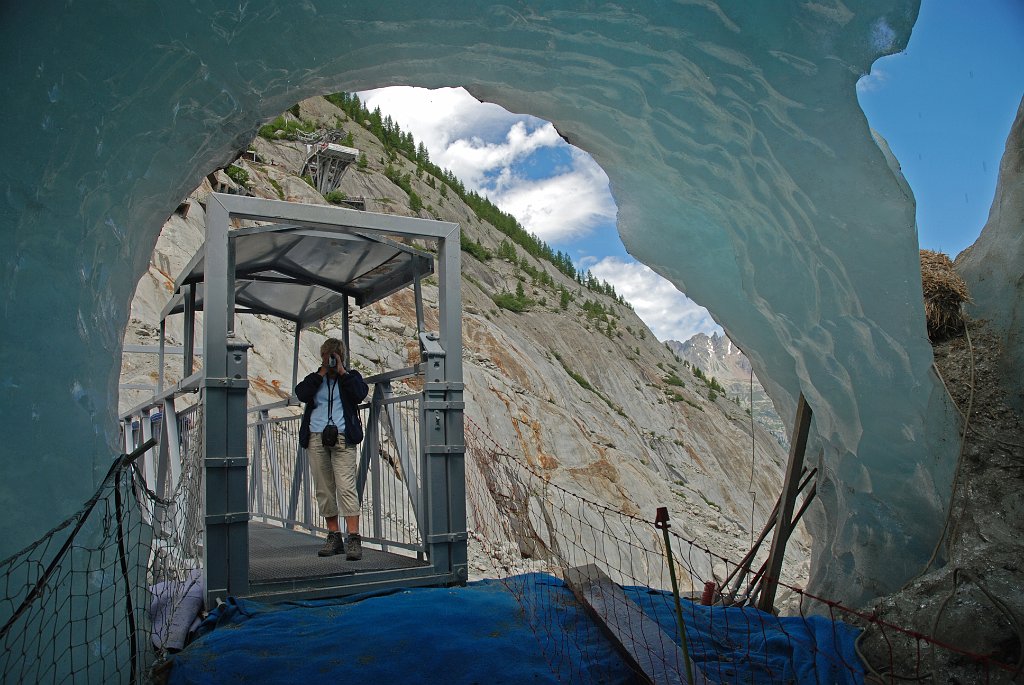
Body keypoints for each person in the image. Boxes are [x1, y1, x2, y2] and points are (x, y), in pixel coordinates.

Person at [295, 337, 369, 559]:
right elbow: (301, 394)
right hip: (316, 437)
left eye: (335, 355)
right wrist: (321, 374)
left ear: (342, 356)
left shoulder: (351, 377)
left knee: (346, 486)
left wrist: (343, 372)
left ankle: (354, 538)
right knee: (324, 489)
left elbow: (360, 393)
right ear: (322, 356)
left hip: (343, 437)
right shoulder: (314, 379)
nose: (331, 359)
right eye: (328, 355)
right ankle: (333, 535)